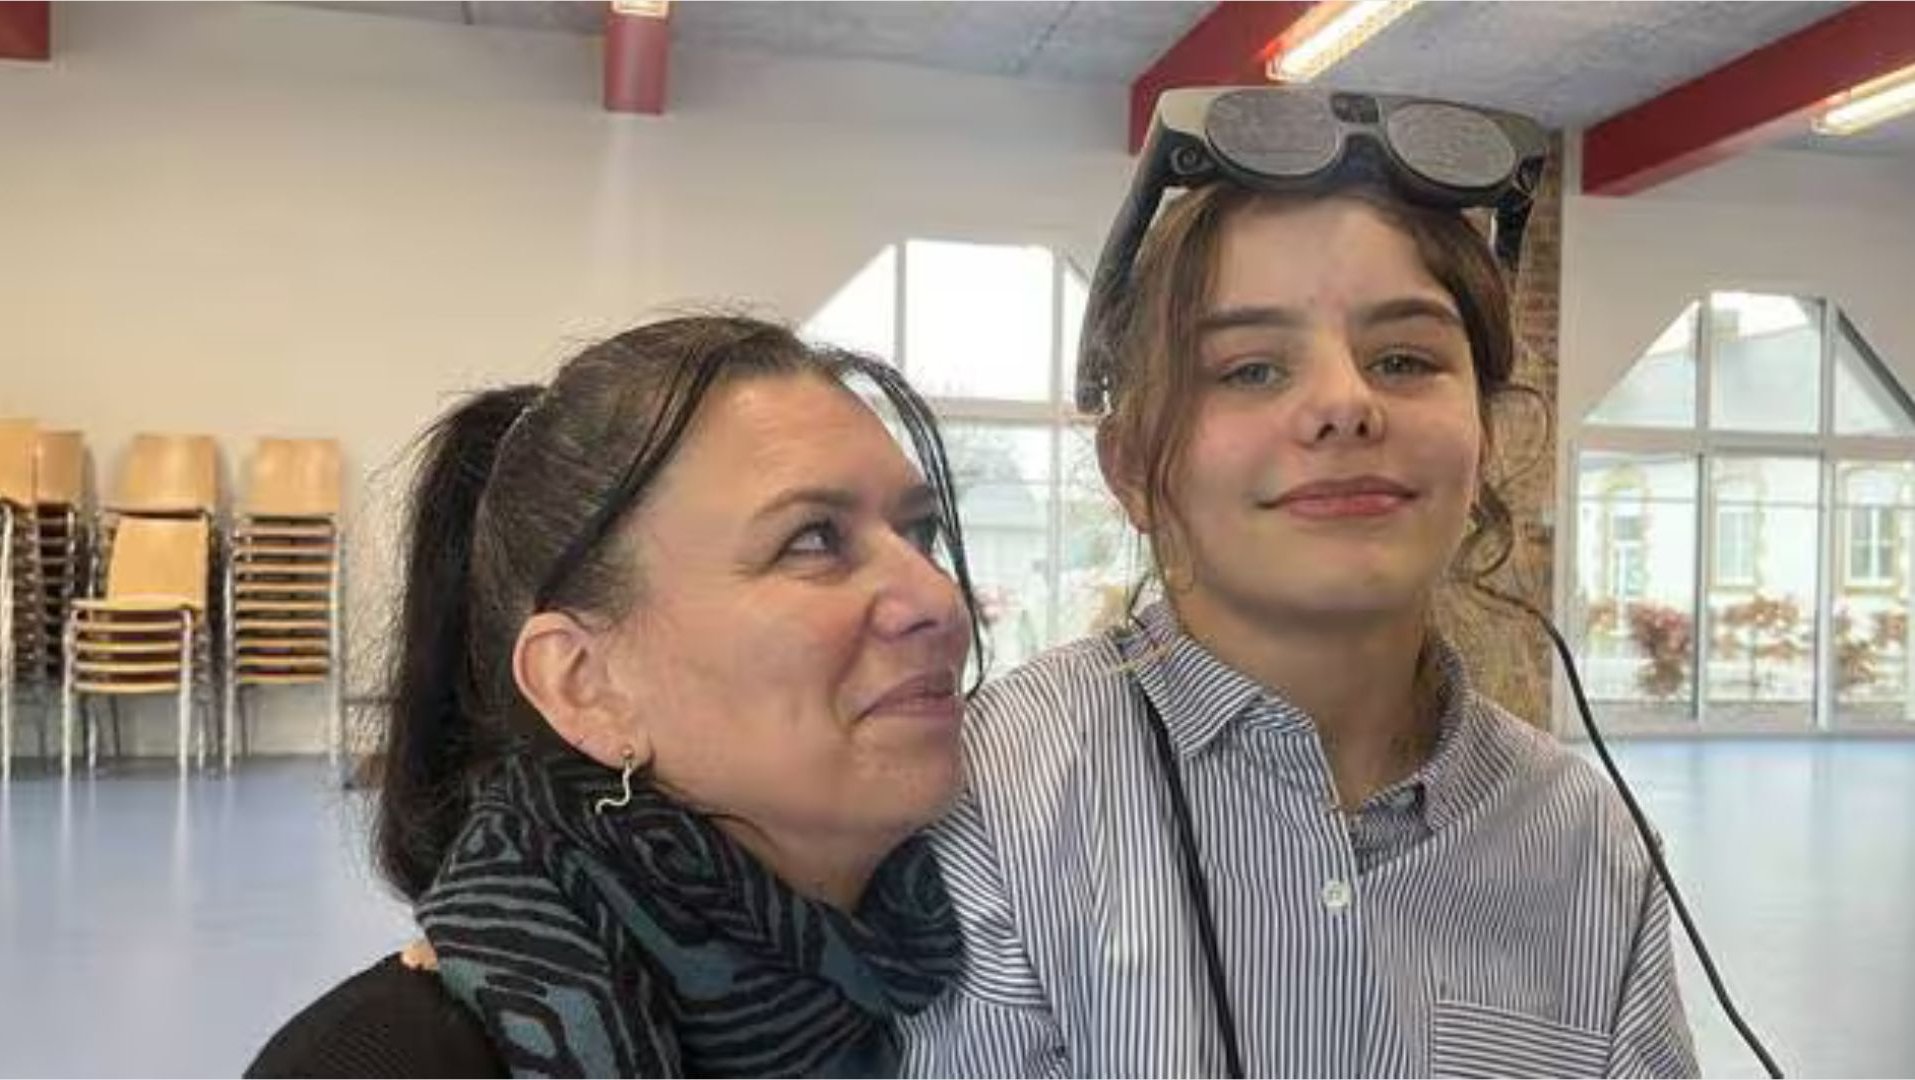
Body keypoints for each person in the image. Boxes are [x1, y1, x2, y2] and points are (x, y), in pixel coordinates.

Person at [902, 88, 1699, 1077]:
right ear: (1132, 467)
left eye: (1403, 358)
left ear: (1484, 441)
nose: (1344, 404)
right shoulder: (992, 802)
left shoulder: (1585, 841)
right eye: (1249, 370)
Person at [250, 315, 983, 1078]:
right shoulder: (378, 1064)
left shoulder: (975, 978)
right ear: (585, 686)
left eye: (919, 535)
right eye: (812, 540)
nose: (937, 597)